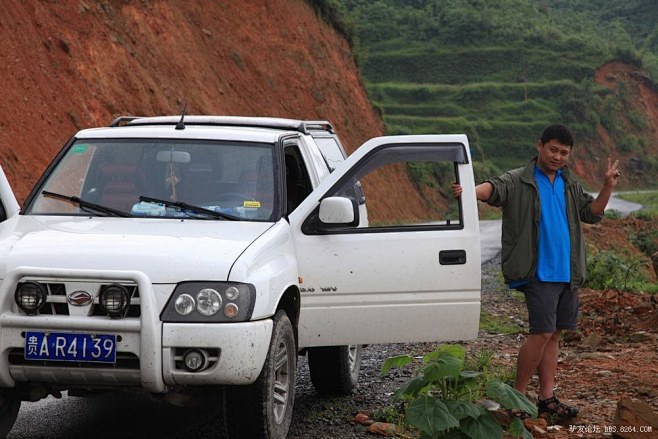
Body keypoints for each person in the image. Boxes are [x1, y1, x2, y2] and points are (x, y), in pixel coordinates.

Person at [452, 124, 620, 420]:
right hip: (538, 273)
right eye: (553, 150)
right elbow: (494, 188)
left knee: (554, 334)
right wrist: (469, 192)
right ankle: (515, 398)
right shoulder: (520, 179)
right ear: (539, 146)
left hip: (567, 274)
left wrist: (607, 186)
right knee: (541, 333)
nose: (557, 157)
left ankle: (546, 398)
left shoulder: (569, 183)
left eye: (564, 153)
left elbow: (592, 214)